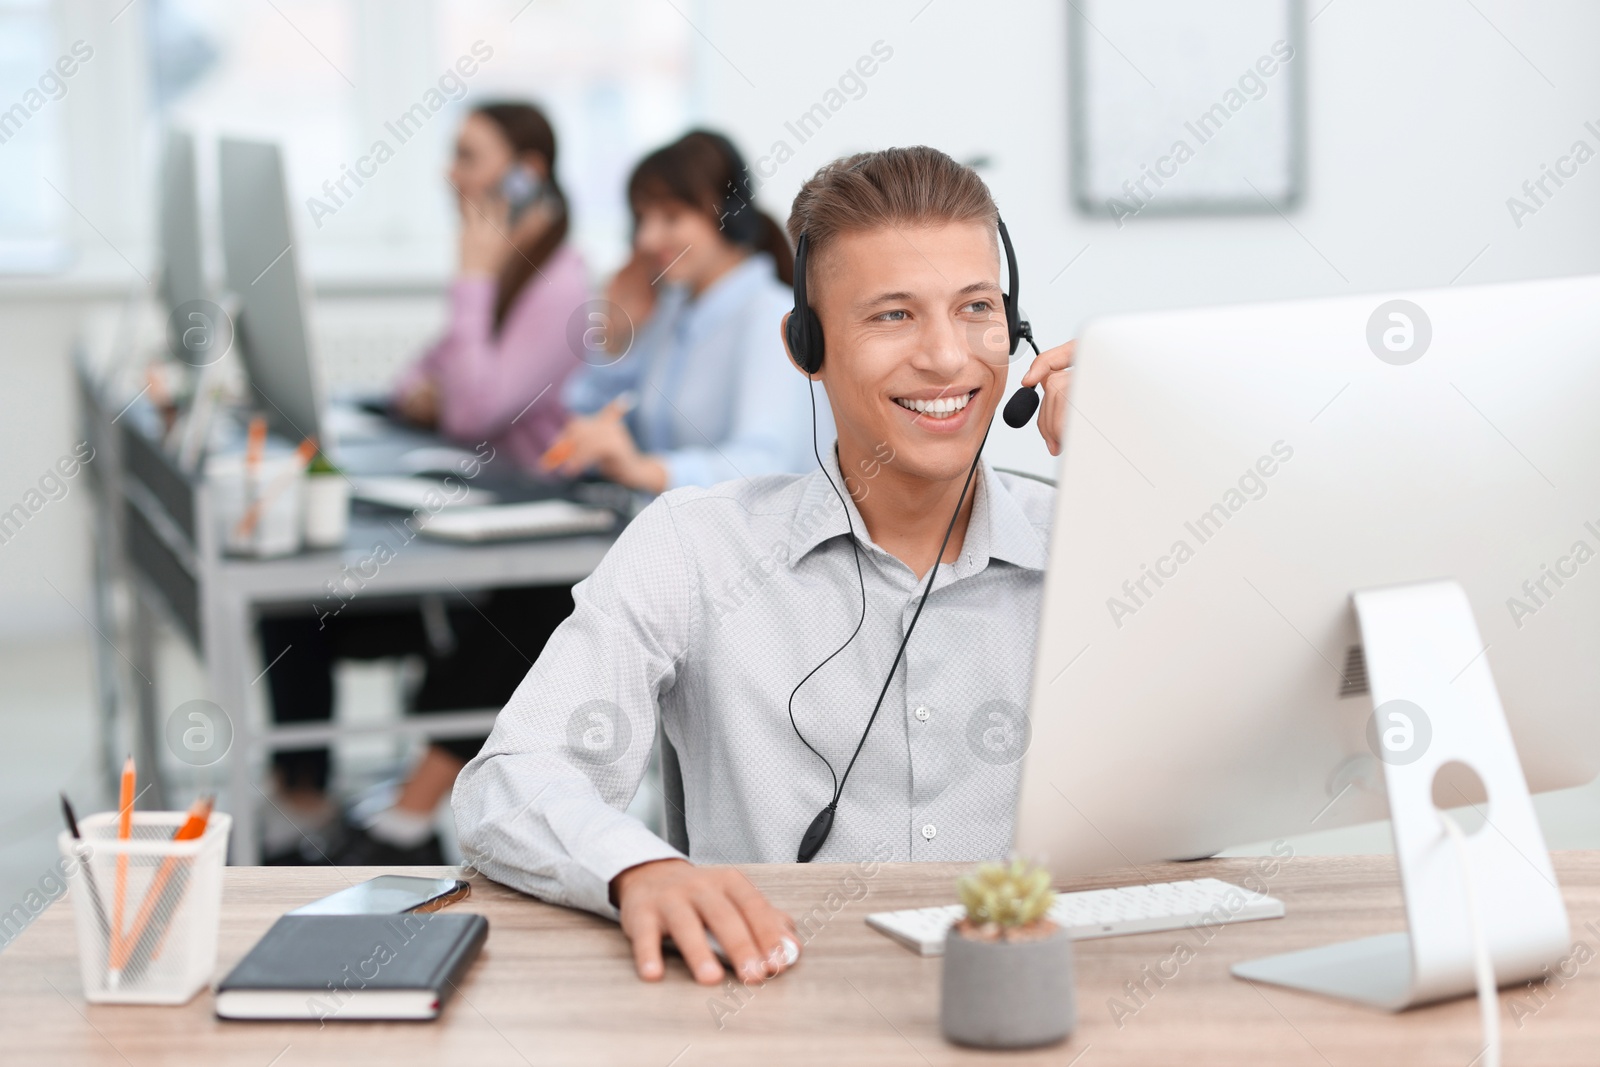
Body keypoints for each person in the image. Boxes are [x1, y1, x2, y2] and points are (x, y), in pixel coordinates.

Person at [453, 145, 1076, 987]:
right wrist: (638, 868)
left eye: (976, 309)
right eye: (893, 315)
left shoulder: (1092, 541)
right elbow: (513, 779)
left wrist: (1137, 486)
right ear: (806, 345)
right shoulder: (697, 548)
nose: (946, 356)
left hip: (1045, 1003)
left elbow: (1269, 733)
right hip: (773, 1007)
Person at [258, 102, 584, 865]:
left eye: (467, 156)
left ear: (525, 172)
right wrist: (456, 383)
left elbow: (470, 403)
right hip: (474, 500)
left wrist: (470, 277)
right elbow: (418, 382)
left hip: (532, 528)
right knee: (291, 603)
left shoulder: (563, 283)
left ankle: (395, 822)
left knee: (481, 627)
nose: (449, 172)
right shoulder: (506, 262)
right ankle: (303, 801)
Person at [544, 129, 833, 491]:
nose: (646, 240)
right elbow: (592, 419)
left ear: (729, 214)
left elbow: (765, 464)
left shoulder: (770, 318)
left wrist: (645, 471)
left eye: (671, 217)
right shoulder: (672, 310)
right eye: (642, 219)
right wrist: (615, 337)